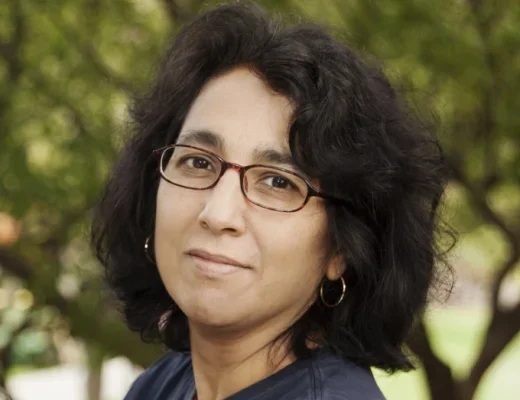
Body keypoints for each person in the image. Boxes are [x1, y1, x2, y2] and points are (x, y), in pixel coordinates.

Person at [91, 1, 452, 399]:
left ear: (342, 250)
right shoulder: (161, 385)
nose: (218, 213)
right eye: (197, 161)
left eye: (278, 182)